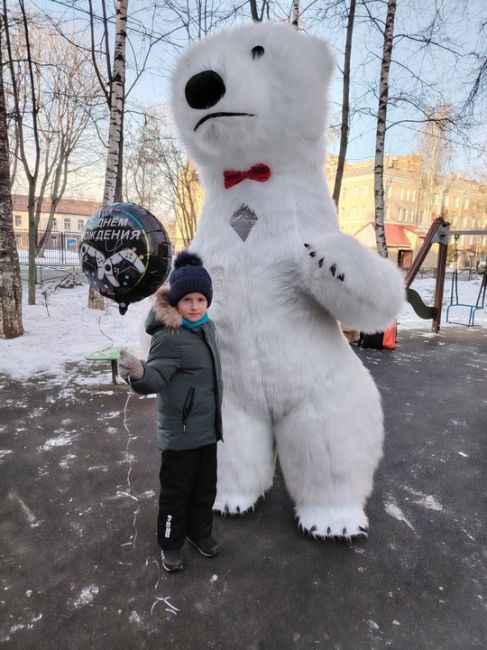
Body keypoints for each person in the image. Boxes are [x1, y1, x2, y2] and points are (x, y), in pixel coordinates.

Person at [118, 251, 223, 572]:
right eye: (187, 299)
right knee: (176, 494)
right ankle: (171, 543)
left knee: (205, 489)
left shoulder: (208, 328)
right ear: (175, 301)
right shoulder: (169, 337)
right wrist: (138, 373)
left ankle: (199, 532)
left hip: (206, 430)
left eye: (200, 299)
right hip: (180, 435)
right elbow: (157, 377)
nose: (194, 306)